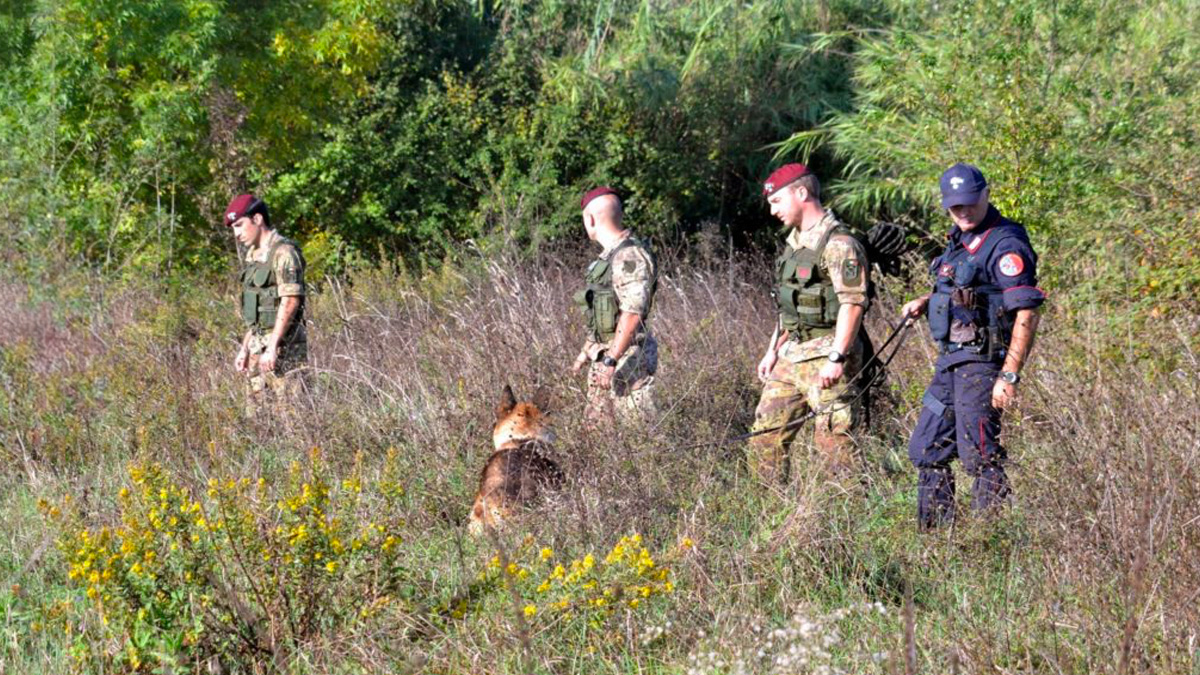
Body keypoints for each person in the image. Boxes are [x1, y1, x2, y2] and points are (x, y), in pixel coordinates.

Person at [901, 163, 1044, 529]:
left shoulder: (1006, 243)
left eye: (968, 203)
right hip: (951, 362)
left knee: (979, 456)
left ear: (985, 194)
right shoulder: (960, 239)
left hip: (982, 366)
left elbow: (1026, 312)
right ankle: (935, 539)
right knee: (926, 447)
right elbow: (968, 290)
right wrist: (926, 299)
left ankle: (991, 541)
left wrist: (1009, 375)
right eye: (954, 206)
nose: (962, 211)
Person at [749, 163, 871, 482]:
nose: (771, 210)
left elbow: (853, 303)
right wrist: (772, 351)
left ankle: (846, 522)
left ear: (801, 193)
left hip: (828, 353)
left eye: (776, 200)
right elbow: (791, 305)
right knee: (765, 438)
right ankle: (773, 520)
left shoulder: (839, 243)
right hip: (792, 354)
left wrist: (836, 358)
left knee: (834, 443)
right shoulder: (794, 244)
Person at [570, 187, 658, 429]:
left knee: (638, 439)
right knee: (599, 442)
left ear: (589, 219)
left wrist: (611, 361)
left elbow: (632, 312)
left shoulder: (629, 255)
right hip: (607, 357)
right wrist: (586, 352)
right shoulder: (607, 259)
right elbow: (605, 313)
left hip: (628, 361)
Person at [226, 194, 309, 421]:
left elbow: (290, 299)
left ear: (258, 219)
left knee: (293, 420)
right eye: (233, 228)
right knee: (258, 422)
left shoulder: (284, 253)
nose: (236, 233)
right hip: (257, 350)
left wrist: (272, 347)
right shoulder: (254, 256)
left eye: (240, 225)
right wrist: (244, 349)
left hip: (284, 350)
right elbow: (260, 311)